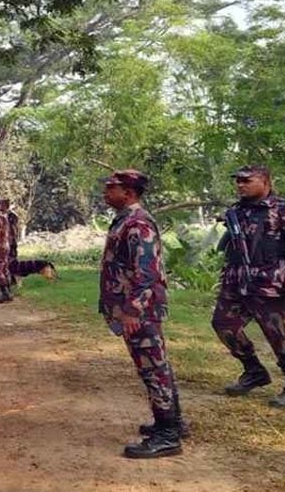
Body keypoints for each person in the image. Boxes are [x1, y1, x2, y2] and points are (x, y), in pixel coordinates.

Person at [212, 165, 285, 409]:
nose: (240, 185)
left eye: (247, 180)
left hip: (272, 285)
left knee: (281, 336)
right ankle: (254, 371)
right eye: (237, 180)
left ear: (266, 182)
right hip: (237, 282)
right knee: (223, 324)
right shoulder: (237, 211)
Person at [98, 169, 185, 459]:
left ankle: (168, 435)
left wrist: (132, 310)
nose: (106, 192)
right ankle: (174, 422)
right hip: (134, 307)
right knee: (156, 365)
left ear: (129, 192)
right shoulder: (125, 220)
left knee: (153, 368)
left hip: (140, 309)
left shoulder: (138, 224)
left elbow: (146, 272)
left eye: (112, 187)